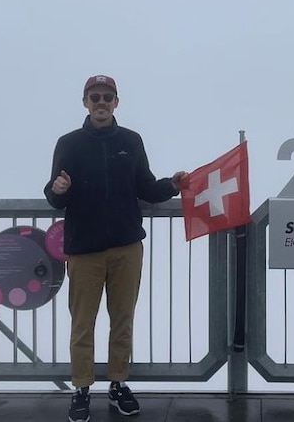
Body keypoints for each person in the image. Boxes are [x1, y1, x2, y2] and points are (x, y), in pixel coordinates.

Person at [44, 74, 187, 421]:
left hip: (126, 248)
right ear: (85, 102)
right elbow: (53, 196)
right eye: (95, 97)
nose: (101, 103)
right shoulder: (69, 143)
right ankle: (81, 389)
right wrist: (58, 188)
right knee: (83, 323)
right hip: (83, 251)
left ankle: (118, 384)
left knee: (122, 320)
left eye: (108, 97)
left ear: (117, 102)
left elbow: (146, 187)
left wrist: (173, 184)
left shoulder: (132, 141)